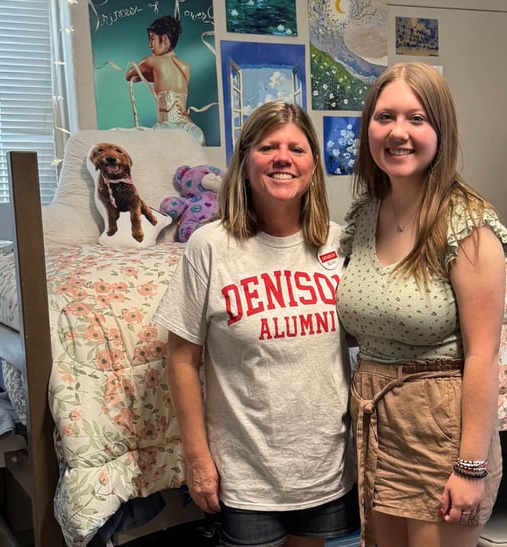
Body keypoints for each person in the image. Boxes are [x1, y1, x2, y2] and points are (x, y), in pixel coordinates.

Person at [153, 101, 358, 547]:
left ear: (313, 166)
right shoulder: (210, 246)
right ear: (245, 162)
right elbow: (182, 359)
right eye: (268, 147)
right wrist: (197, 457)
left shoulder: (339, 244)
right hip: (245, 474)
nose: (283, 158)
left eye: (297, 149)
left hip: (324, 466)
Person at [335, 62, 507, 547]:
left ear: (441, 130)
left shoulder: (467, 224)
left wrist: (470, 467)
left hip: (441, 432)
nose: (398, 132)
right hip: (376, 426)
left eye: (417, 118)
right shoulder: (364, 214)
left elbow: (483, 355)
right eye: (384, 117)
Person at [125, 15, 206, 145]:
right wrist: (155, 76)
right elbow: (168, 82)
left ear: (164, 39)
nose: (149, 44)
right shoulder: (186, 66)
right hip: (193, 131)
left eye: (152, 39)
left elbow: (129, 76)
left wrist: (148, 75)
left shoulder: (151, 61)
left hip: (166, 130)